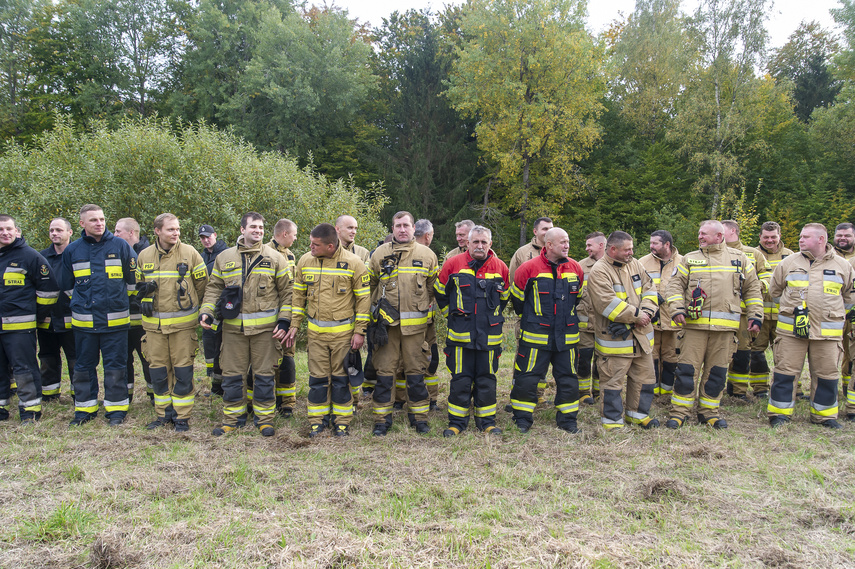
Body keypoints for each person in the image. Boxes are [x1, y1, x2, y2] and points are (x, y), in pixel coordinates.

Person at [664, 220, 763, 430]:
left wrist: (756, 316)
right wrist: (677, 309)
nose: (700, 237)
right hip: (693, 328)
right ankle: (679, 413)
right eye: (699, 233)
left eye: (704, 234)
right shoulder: (690, 258)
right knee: (686, 372)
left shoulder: (740, 259)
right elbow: (674, 286)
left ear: (719, 236)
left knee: (716, 373)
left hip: (725, 331)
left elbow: (753, 289)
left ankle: (709, 413)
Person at [200, 212, 292, 437]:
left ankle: (264, 420)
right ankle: (233, 419)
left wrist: (284, 320)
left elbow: (288, 293)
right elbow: (214, 288)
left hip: (265, 332)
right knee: (232, 376)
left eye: (261, 227)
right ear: (242, 230)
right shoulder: (224, 257)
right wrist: (207, 312)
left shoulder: (276, 258)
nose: (258, 231)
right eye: (253, 227)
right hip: (233, 331)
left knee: (264, 376)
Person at [283, 223, 370, 437]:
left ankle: (342, 422)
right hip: (316, 336)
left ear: (330, 246)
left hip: (343, 336)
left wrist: (360, 332)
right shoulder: (305, 261)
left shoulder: (354, 263)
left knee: (341, 380)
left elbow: (364, 300)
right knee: (318, 380)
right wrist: (294, 324)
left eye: (315, 244)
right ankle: (317, 421)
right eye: (310, 243)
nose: (310, 247)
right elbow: (298, 296)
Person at [768, 223, 854, 429]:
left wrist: (831, 314)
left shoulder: (843, 266)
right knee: (785, 372)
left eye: (805, 237)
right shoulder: (788, 262)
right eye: (800, 236)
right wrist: (792, 310)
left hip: (827, 334)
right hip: (791, 333)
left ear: (821, 240)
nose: (800, 240)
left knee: (827, 375)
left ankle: (824, 416)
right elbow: (775, 292)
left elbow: (850, 297)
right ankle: (779, 414)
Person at [63, 205, 137, 426]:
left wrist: (117, 302)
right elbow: (68, 287)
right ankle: (85, 410)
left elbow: (133, 283)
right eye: (93, 220)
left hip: (115, 323)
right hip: (84, 324)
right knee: (83, 367)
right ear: (82, 224)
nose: (99, 223)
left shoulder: (121, 246)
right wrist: (82, 305)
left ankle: (116, 411)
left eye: (102, 219)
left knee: (116, 366)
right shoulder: (72, 250)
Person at [367, 211, 438, 436]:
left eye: (406, 225)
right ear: (392, 228)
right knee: (385, 374)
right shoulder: (379, 254)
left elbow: (432, 290)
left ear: (413, 227)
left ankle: (419, 418)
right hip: (386, 330)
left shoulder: (427, 255)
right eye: (398, 225)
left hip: (416, 331)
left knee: (416, 374)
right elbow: (369, 287)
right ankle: (381, 420)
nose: (402, 229)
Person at [435, 225, 509, 436]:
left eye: (484, 242)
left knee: (487, 379)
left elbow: (504, 299)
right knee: (460, 379)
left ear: (490, 244)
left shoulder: (501, 267)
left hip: (489, 338)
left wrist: (488, 318)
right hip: (460, 337)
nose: (479, 246)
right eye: (475, 242)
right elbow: (440, 293)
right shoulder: (453, 264)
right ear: (467, 243)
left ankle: (486, 422)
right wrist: (454, 315)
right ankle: (457, 423)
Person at [137, 214, 207, 432]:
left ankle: (182, 416)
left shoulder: (190, 253)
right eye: (170, 230)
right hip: (154, 328)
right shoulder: (144, 255)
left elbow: (203, 285)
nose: (176, 233)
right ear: (157, 231)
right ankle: (163, 415)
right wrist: (146, 297)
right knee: (158, 373)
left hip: (183, 329)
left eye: (177, 229)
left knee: (183, 372)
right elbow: (139, 286)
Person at [509, 227, 584, 433]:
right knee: (526, 379)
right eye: (563, 242)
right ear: (549, 245)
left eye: (568, 241)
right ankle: (522, 419)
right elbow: (518, 302)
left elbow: (576, 299)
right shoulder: (527, 269)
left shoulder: (576, 268)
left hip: (566, 339)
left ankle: (568, 420)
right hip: (535, 338)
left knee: (568, 379)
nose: (567, 245)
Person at [588, 231, 659, 429]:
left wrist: (646, 312)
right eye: (627, 249)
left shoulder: (635, 264)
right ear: (613, 249)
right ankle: (612, 421)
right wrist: (638, 317)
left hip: (641, 338)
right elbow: (606, 303)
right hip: (615, 341)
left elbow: (650, 289)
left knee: (644, 378)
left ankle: (637, 415)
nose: (631, 252)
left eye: (632, 249)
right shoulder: (599, 270)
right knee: (612, 382)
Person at [0, 214, 59, 423]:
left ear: (17, 231)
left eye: (9, 229)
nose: (5, 233)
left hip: (20, 327)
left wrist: (35, 315)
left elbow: (50, 291)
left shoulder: (30, 257)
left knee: (24, 369)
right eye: (1, 229)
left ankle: (30, 410)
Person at [505, 216, 554, 409]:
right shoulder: (522, 253)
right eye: (544, 229)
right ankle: (518, 395)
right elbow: (513, 285)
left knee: (543, 359)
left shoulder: (557, 251)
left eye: (551, 228)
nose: (548, 231)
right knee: (523, 359)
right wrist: (524, 313)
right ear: (535, 231)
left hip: (551, 319)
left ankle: (539, 395)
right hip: (527, 318)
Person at [722, 220, 772, 400]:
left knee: (742, 353)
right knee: (719, 353)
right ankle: (717, 390)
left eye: (722, 231)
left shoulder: (753, 254)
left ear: (733, 231)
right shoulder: (713, 254)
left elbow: (767, 277)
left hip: (743, 314)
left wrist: (754, 286)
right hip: (722, 313)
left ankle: (738, 392)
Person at [751, 221, 794, 397]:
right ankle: (760, 388)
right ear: (760, 236)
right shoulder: (752, 255)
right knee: (756, 353)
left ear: (779, 236)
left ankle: (791, 388)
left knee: (786, 354)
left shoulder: (791, 256)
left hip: (783, 315)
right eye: (766, 237)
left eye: (773, 237)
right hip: (759, 315)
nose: (770, 240)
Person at [638, 230, 682, 398]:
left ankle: (667, 392)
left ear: (667, 245)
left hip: (673, 320)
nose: (651, 246)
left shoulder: (683, 262)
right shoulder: (642, 263)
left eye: (655, 243)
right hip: (651, 320)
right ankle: (653, 392)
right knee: (652, 356)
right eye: (651, 243)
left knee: (671, 357)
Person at [38, 218, 76, 401]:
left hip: (71, 318)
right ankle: (49, 395)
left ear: (70, 232)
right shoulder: (41, 257)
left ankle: (79, 395)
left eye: (59, 230)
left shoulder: (77, 254)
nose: (54, 233)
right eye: (52, 230)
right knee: (47, 357)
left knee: (76, 359)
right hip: (47, 319)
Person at [114, 217, 151, 404]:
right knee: (122, 361)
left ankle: (154, 396)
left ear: (131, 233)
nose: (114, 235)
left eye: (118, 231)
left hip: (144, 320)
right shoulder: (114, 252)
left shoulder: (149, 254)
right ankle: (125, 397)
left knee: (149, 360)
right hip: (120, 319)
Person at [267, 219, 298, 418]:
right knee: (267, 361)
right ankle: (264, 401)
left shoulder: (291, 255)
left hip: (288, 314)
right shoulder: (265, 252)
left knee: (287, 359)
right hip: (269, 316)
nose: (295, 239)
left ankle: (287, 403)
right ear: (285, 234)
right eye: (294, 235)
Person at [198, 224, 228, 396]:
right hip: (207, 310)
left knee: (221, 350)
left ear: (215, 235)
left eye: (208, 236)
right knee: (209, 349)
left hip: (223, 312)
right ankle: (213, 384)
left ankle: (222, 385)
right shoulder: (200, 257)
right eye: (202, 237)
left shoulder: (225, 255)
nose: (206, 240)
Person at [576, 231, 606, 403]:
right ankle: (583, 393)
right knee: (584, 359)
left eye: (589, 245)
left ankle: (598, 391)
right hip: (584, 325)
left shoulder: (612, 265)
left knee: (602, 361)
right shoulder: (580, 266)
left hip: (604, 325)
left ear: (601, 245)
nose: (586, 248)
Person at [833, 222, 855, 394]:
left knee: (851, 354)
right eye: (839, 235)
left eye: (847, 235)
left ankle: (848, 388)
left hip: (853, 314)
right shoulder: (826, 255)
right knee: (831, 353)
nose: (842, 238)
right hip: (833, 313)